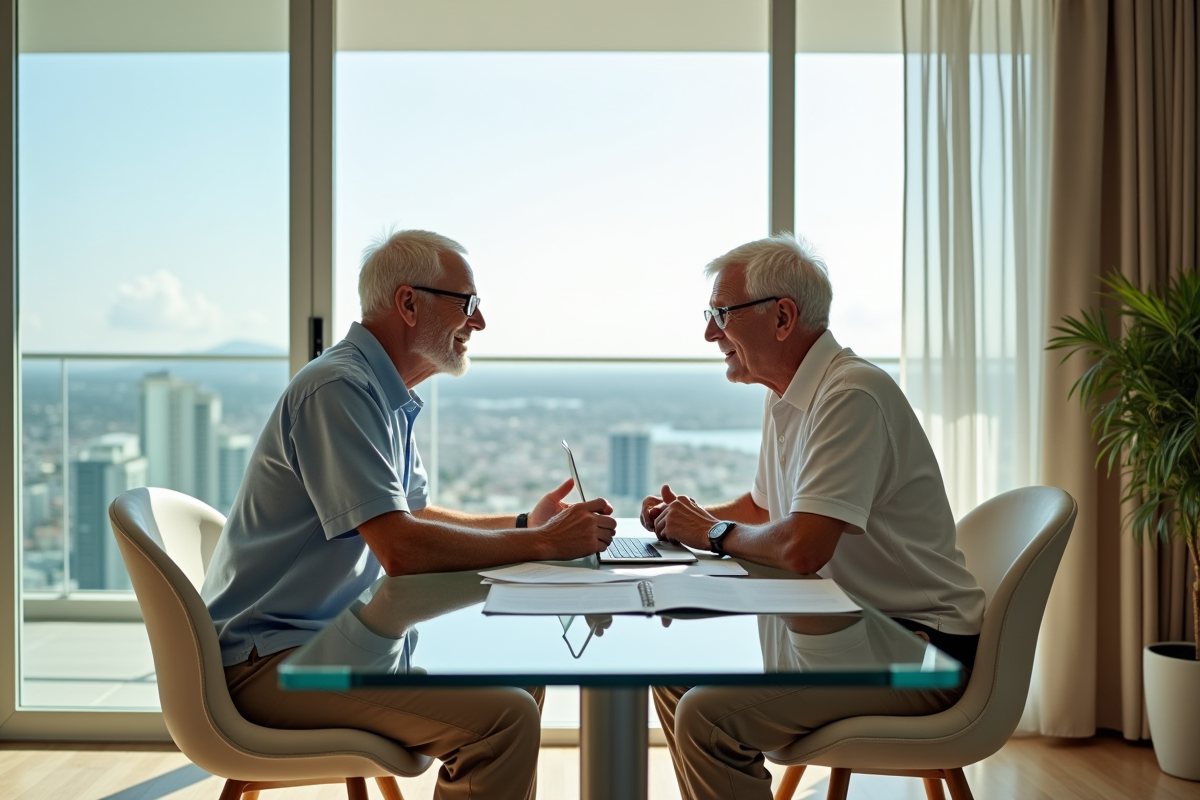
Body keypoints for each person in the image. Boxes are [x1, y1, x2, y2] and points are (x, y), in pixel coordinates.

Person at [201, 229, 616, 800]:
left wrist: (526, 525)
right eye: (467, 303)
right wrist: (544, 545)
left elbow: (413, 519)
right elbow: (402, 550)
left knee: (519, 673)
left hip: (328, 643)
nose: (480, 322)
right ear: (408, 303)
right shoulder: (339, 389)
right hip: (268, 669)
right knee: (503, 719)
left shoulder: (380, 392)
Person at [641, 233, 985, 800]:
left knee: (708, 716)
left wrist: (709, 532)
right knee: (679, 677)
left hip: (921, 652)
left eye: (721, 314)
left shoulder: (852, 395)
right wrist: (684, 519)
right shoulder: (785, 395)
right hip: (847, 629)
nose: (709, 333)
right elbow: (764, 511)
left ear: (782, 317)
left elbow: (803, 546)